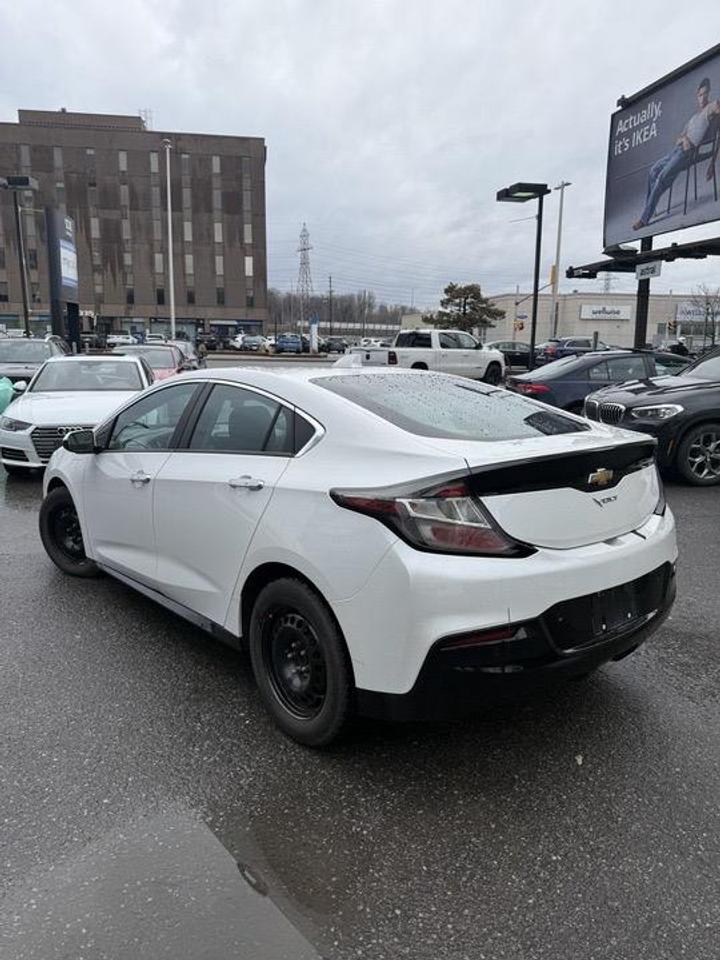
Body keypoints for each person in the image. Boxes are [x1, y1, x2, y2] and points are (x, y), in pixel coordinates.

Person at [633, 78, 720, 231]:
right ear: (697, 95)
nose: (703, 97)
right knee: (653, 171)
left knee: (661, 178)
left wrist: (712, 163)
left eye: (706, 94)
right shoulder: (693, 118)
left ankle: (644, 218)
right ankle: (650, 207)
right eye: (700, 94)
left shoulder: (711, 107)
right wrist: (684, 138)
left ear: (709, 94)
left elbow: (718, 109)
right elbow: (678, 138)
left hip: (687, 153)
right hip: (676, 151)